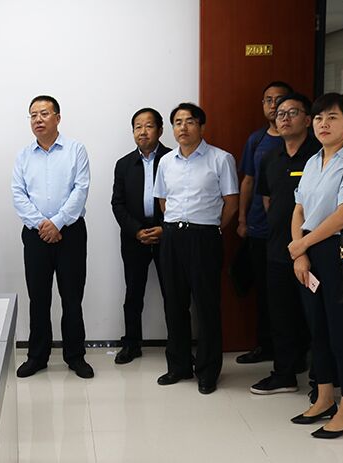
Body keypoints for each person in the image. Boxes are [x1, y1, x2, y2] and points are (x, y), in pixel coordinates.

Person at [288, 93, 343, 438]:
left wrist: (302, 245)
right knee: (318, 328)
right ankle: (324, 398)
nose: (323, 124)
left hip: (342, 249)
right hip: (310, 250)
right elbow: (299, 209)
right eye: (319, 118)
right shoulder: (313, 161)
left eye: (332, 117)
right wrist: (300, 252)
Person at [153, 102, 239, 394]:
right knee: (174, 303)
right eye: (178, 122)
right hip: (172, 237)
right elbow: (163, 201)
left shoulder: (221, 159)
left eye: (190, 121)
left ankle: (208, 370)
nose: (183, 127)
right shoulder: (166, 162)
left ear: (201, 126)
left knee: (206, 306)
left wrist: (210, 227)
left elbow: (231, 203)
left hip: (204, 238)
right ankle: (178, 365)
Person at [12, 95, 92, 379]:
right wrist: (42, 224)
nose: (38, 119)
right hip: (35, 236)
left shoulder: (75, 150)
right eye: (33, 115)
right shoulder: (23, 156)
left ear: (57, 117)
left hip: (70, 233)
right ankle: (37, 356)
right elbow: (18, 194)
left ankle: (75, 356)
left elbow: (81, 189)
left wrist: (57, 222)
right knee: (38, 298)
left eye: (44, 113)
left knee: (72, 298)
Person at [251, 93, 319, 395]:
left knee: (315, 316)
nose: (285, 118)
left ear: (307, 119)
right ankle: (285, 374)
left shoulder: (319, 156)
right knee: (280, 315)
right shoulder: (270, 157)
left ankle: (322, 378)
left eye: (293, 112)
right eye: (280, 114)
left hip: (314, 249)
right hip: (278, 248)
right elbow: (268, 200)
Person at [236, 81, 293, 364]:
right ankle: (265, 346)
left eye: (279, 100)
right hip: (259, 227)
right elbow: (248, 181)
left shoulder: (304, 142)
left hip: (294, 232)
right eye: (268, 100)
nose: (274, 106)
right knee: (263, 291)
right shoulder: (256, 141)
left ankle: (294, 353)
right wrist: (242, 219)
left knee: (291, 294)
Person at [111, 107, 170, 364]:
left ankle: (177, 346)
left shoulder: (173, 159)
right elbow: (117, 203)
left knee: (174, 293)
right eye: (137, 127)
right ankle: (132, 344)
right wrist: (136, 230)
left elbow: (181, 200)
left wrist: (164, 228)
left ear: (160, 130)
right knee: (133, 293)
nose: (142, 131)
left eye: (148, 126)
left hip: (168, 235)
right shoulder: (124, 164)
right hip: (134, 236)